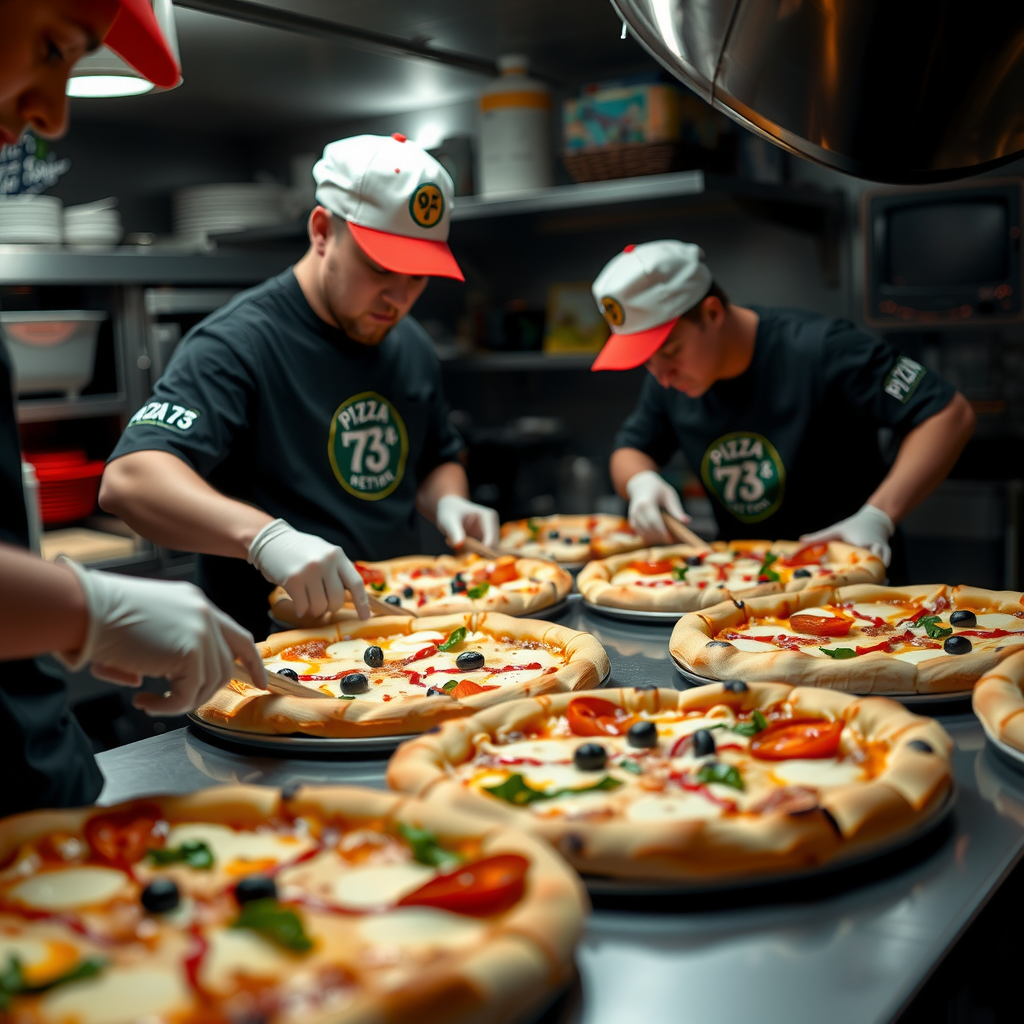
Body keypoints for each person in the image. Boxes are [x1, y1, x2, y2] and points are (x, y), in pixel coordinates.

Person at [0, 0, 266, 816]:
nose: (53, 116)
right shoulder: (243, 335)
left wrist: (58, 616)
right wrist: (87, 608)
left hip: (43, 788)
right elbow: (131, 478)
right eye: (54, 47)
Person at [99, 133, 498, 638]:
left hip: (397, 637)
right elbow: (129, 480)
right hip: (274, 651)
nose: (398, 298)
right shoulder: (237, 342)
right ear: (323, 231)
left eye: (418, 276)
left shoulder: (410, 343)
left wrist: (448, 503)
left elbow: (436, 456)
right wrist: (265, 538)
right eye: (380, 268)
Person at [593, 241, 976, 572]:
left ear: (712, 313)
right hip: (747, 584)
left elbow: (948, 413)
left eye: (670, 351)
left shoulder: (823, 348)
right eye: (646, 361)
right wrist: (640, 482)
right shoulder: (671, 380)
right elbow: (630, 450)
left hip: (852, 579)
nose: (661, 376)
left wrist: (879, 516)